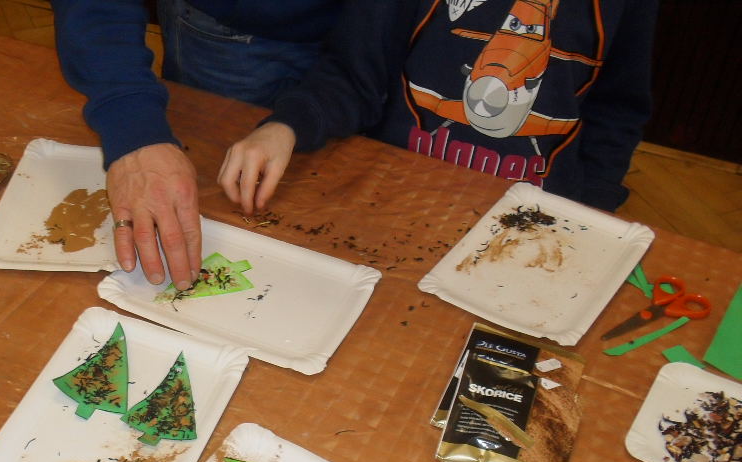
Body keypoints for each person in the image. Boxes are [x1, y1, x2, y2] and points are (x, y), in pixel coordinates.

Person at [218, 0, 658, 216]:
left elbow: (617, 110)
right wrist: (286, 125)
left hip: (532, 215)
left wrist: (593, 206)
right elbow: (354, 74)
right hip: (395, 199)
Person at [51, 0, 342, 289]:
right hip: (224, 33)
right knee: (209, 193)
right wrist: (133, 125)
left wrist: (299, 119)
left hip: (356, 39)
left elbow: (357, 73)